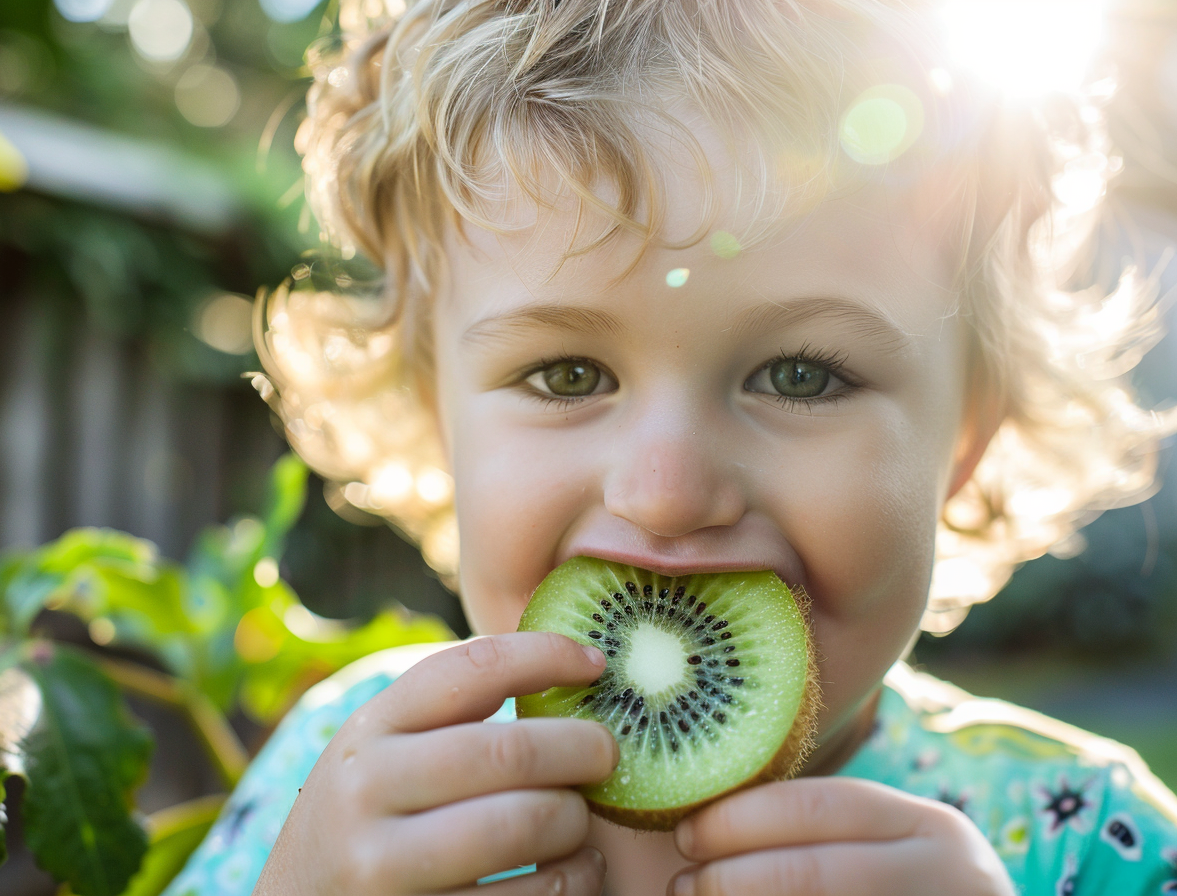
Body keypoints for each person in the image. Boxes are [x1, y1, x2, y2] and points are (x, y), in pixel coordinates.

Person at [167, 1, 1177, 893]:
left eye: (800, 374)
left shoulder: (1085, 844)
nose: (667, 490)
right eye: (567, 374)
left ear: (962, 440)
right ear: (442, 421)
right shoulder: (345, 786)